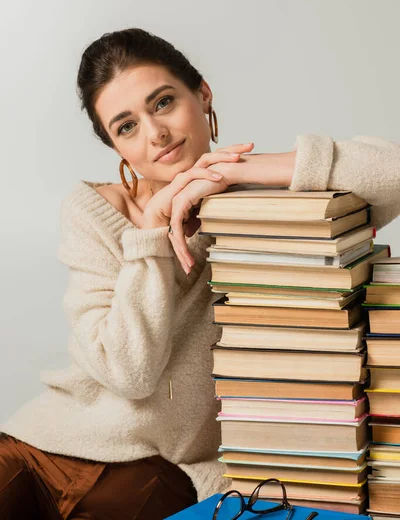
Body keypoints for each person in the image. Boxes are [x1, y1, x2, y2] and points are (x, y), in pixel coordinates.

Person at [0, 27, 399, 520]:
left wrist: (242, 170)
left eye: (163, 102)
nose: (155, 134)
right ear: (116, 148)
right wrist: (150, 235)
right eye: (127, 127)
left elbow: (393, 169)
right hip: (46, 440)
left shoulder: (261, 209)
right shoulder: (93, 210)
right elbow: (122, 370)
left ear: (202, 94)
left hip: (156, 472)